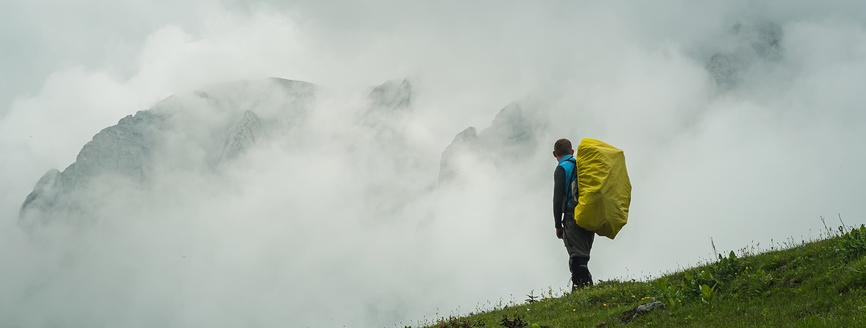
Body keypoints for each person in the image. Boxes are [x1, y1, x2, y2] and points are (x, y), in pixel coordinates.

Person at [552, 138, 595, 289]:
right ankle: (582, 290)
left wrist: (558, 224)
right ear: (572, 152)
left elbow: (558, 200)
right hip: (589, 215)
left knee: (577, 258)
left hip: (572, 217)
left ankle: (584, 290)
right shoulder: (582, 165)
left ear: (554, 154)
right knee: (582, 256)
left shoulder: (562, 168)